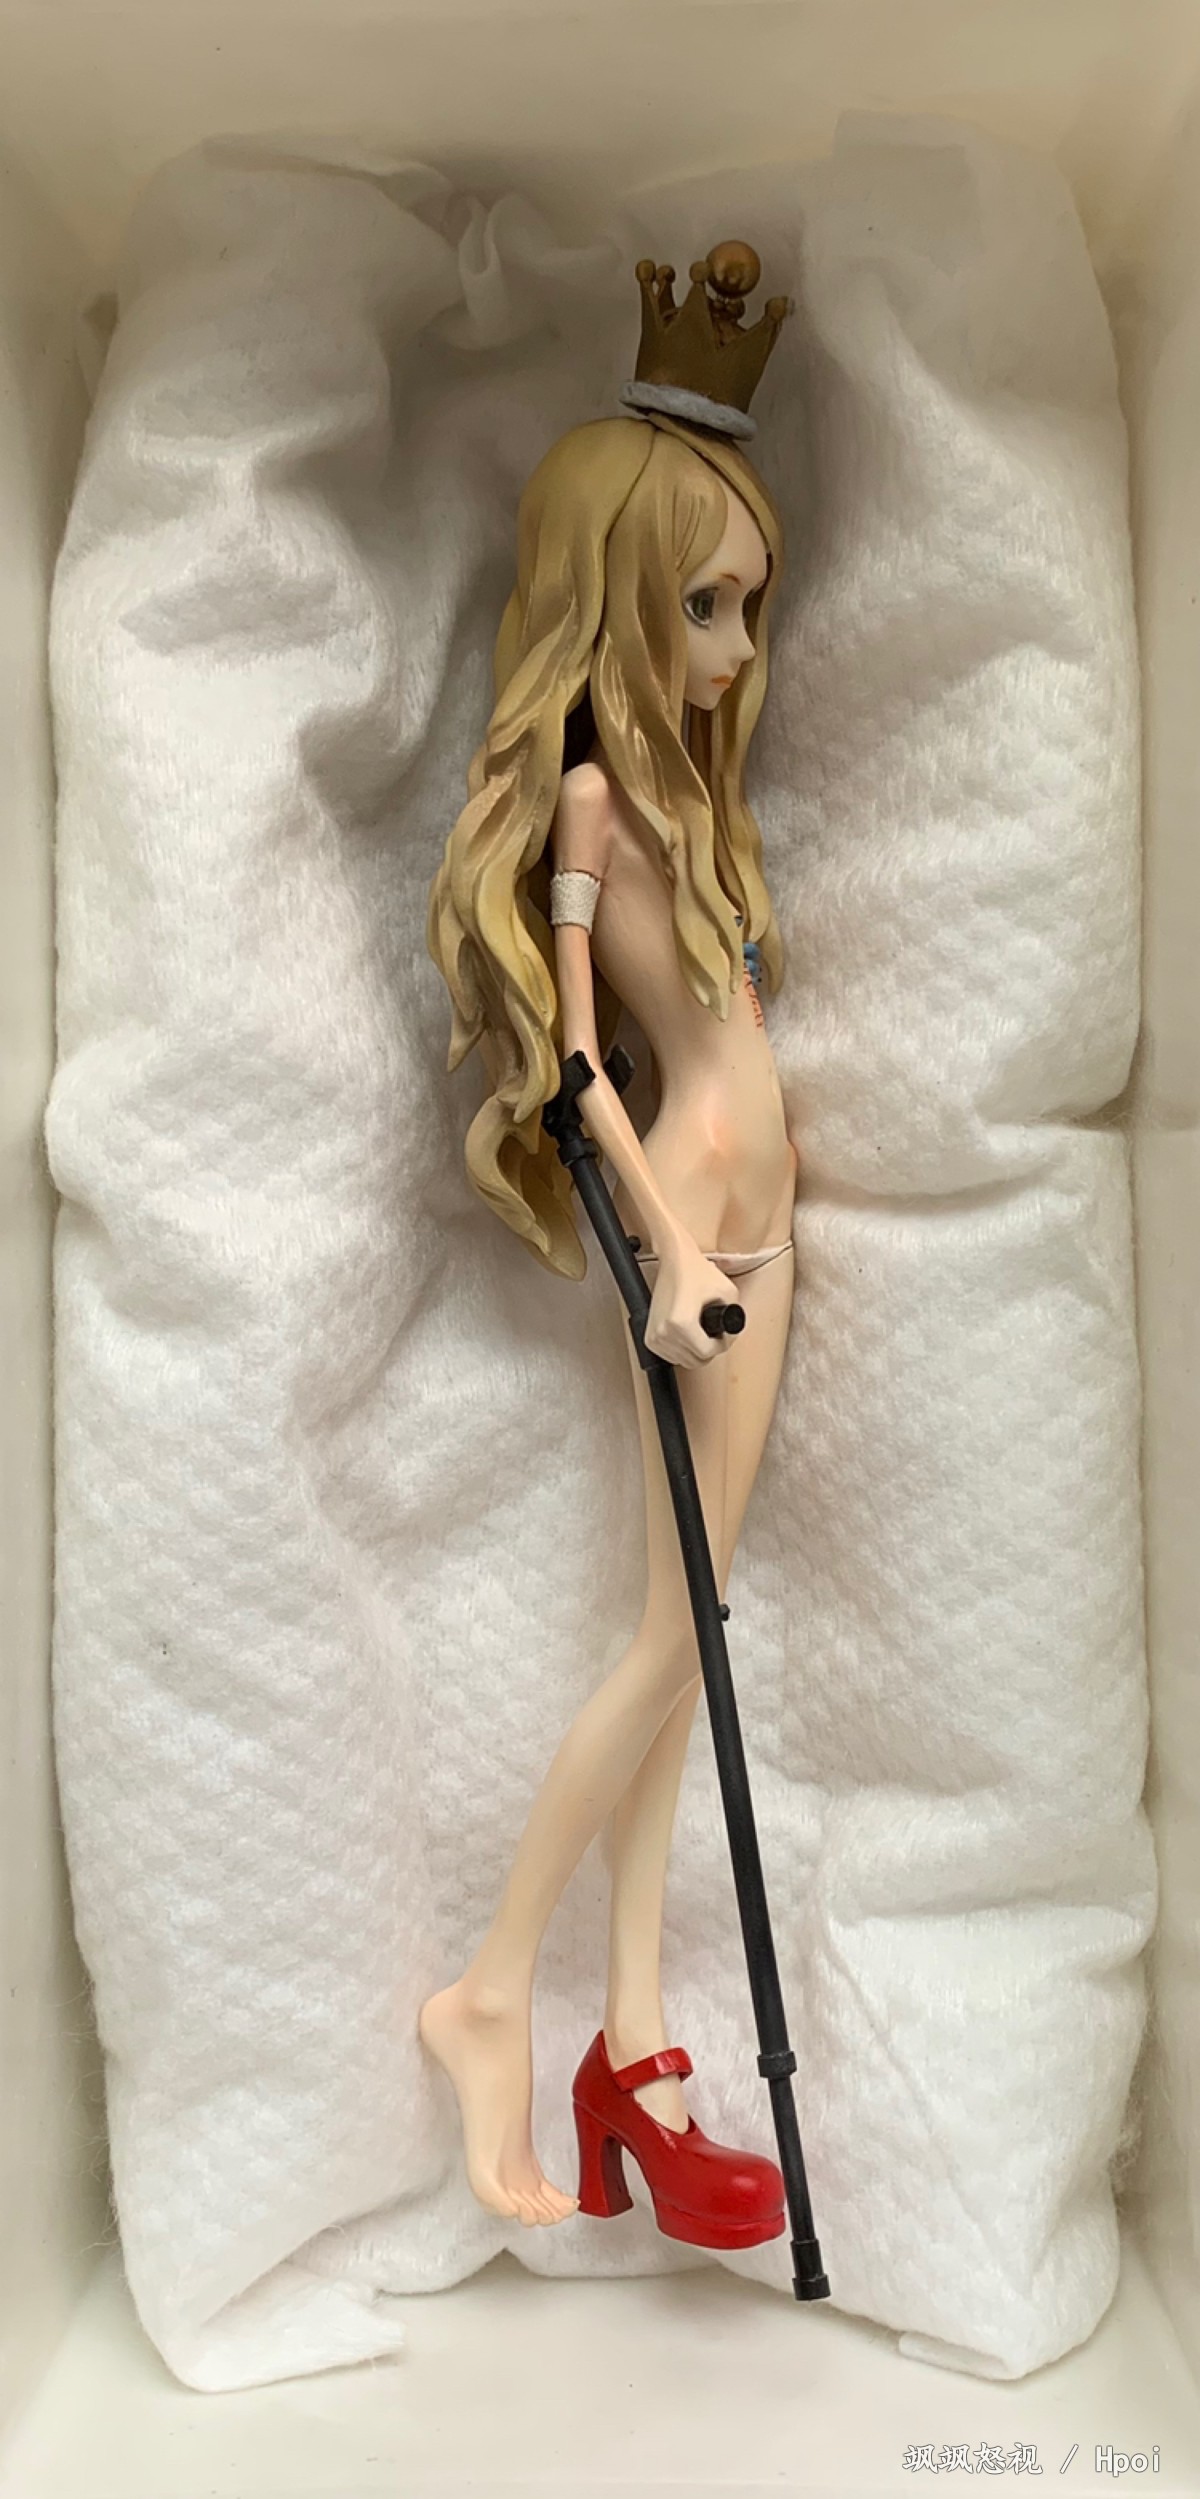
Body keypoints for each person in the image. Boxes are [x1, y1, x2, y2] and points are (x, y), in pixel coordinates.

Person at [422, 262, 796, 2237]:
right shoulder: (591, 806)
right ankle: (496, 1989)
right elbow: (578, 1069)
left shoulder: (698, 807)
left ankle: (631, 2044)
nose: (730, 647)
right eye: (699, 605)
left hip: (765, 1209)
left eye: (747, 607)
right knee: (669, 1639)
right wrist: (667, 1248)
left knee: (695, 1630)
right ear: (610, 599)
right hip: (699, 1215)